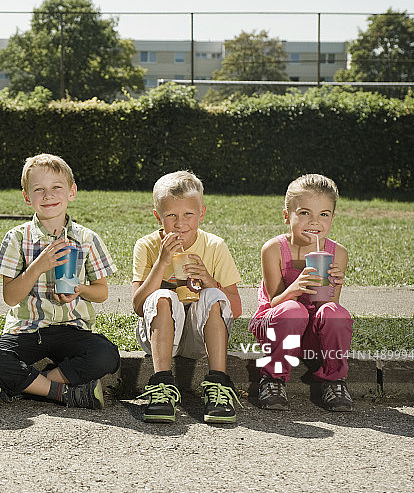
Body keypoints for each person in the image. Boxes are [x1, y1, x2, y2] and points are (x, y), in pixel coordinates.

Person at [0, 153, 120, 409]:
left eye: (56, 188)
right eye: (39, 189)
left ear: (71, 192)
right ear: (27, 197)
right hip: (27, 329)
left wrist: (80, 290)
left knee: (106, 354)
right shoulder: (16, 238)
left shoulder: (86, 239)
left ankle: (29, 387)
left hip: (72, 328)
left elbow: (101, 293)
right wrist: (38, 266)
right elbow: (10, 297)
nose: (48, 195)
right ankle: (63, 393)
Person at [132, 170, 242, 424]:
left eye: (188, 214)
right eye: (171, 215)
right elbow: (138, 306)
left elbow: (234, 308)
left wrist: (208, 280)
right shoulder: (147, 246)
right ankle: (161, 386)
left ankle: (218, 385)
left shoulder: (214, 246)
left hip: (198, 338)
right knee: (162, 295)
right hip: (158, 336)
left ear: (201, 213)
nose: (180, 223)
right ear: (158, 216)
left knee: (214, 293)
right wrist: (161, 263)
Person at [249, 174, 353, 412]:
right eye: (305, 213)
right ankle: (272, 379)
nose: (314, 222)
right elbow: (274, 302)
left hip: (311, 334)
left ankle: (334, 381)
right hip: (278, 326)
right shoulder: (274, 249)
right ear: (287, 216)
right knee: (292, 310)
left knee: (336, 313)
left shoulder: (337, 253)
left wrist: (333, 284)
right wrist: (295, 288)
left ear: (332, 218)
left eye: (324, 214)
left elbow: (327, 309)